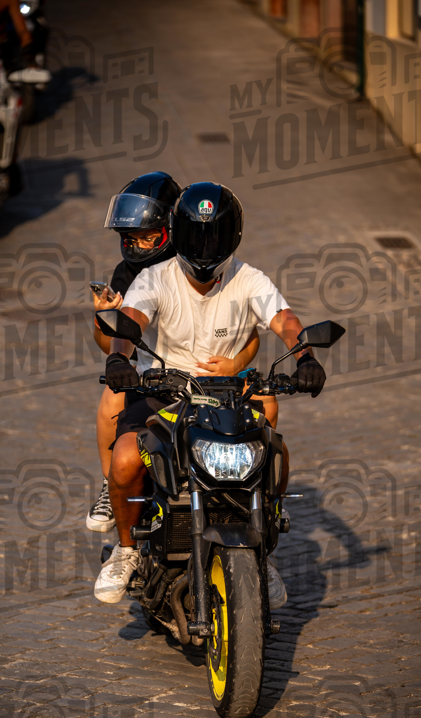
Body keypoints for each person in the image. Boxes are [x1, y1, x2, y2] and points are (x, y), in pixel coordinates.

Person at [94, 181, 326, 608]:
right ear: (178, 234)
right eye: (196, 236)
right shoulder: (154, 278)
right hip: (162, 391)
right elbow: (130, 319)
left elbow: (285, 319)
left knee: (275, 456)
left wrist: (305, 357)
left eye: (213, 237)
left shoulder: (249, 279)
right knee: (125, 461)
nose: (204, 248)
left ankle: (263, 551)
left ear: (231, 236)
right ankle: (126, 550)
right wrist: (118, 358)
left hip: (228, 394)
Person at [87, 172, 268, 532]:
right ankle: (111, 486)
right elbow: (111, 345)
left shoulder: (207, 266)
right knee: (112, 397)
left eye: (148, 237)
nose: (138, 246)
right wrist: (102, 319)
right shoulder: (129, 274)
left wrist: (235, 363)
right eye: (130, 239)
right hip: (156, 374)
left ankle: (260, 491)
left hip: (211, 375)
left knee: (266, 405)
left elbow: (249, 335)